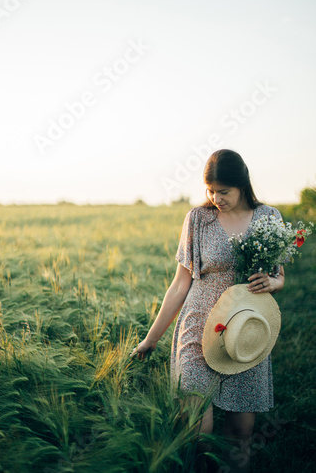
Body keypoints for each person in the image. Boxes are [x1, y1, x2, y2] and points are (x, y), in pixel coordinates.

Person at [129, 149, 285, 472]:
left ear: (242, 185)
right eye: (210, 190)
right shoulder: (198, 220)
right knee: (199, 428)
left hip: (246, 327)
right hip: (199, 325)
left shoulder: (269, 217)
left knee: (241, 432)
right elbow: (179, 285)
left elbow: (280, 275)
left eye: (223, 191)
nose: (216, 198)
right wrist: (151, 339)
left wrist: (272, 282)